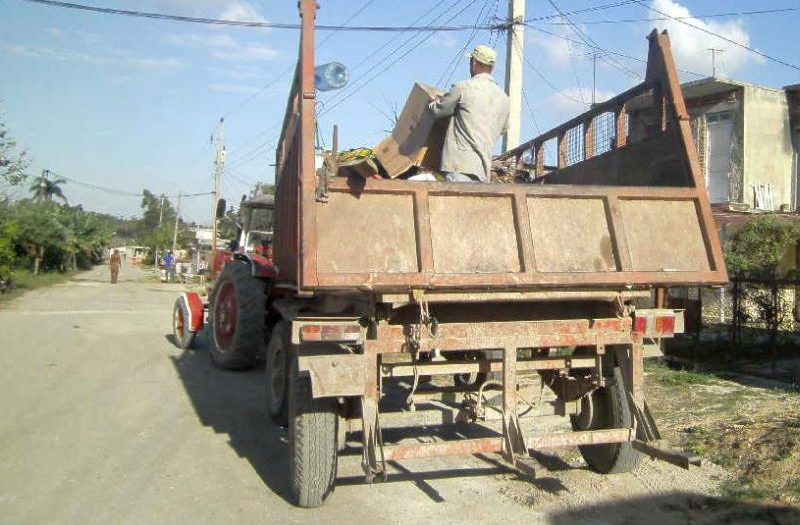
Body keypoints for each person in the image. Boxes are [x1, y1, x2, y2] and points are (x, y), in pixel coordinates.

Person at [428, 45, 510, 183]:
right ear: (492, 68)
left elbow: (439, 111)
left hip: (460, 166)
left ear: (473, 63)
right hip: (483, 171)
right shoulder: (504, 99)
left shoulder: (463, 87)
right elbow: (503, 128)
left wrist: (433, 103)